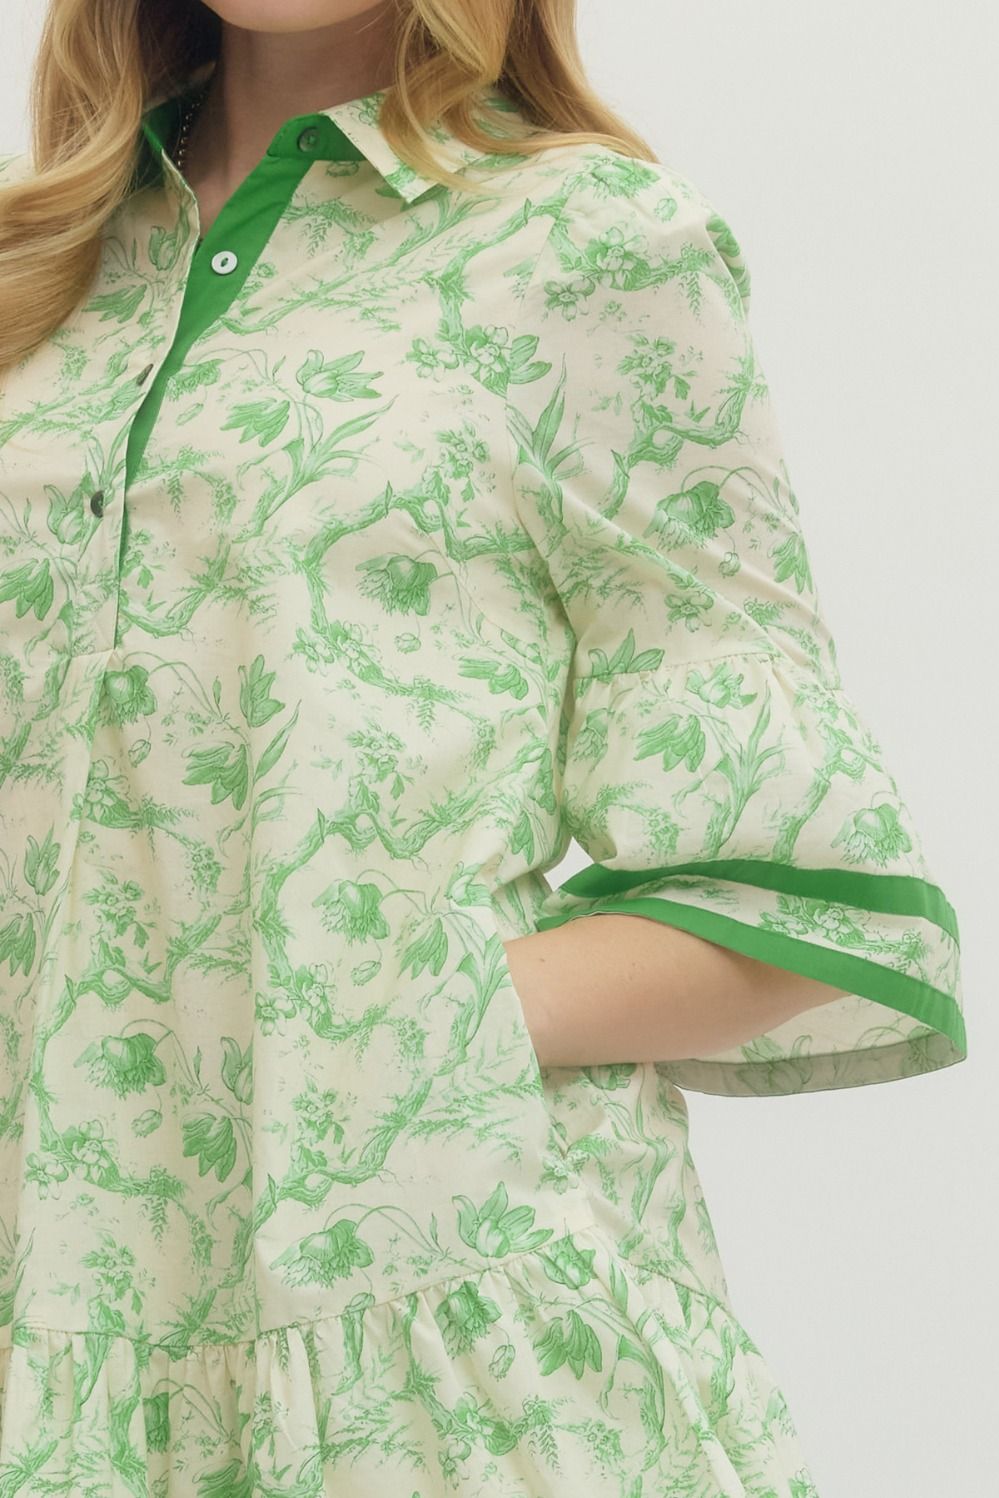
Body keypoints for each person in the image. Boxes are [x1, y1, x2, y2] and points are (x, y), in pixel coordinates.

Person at [0, 1, 967, 1492]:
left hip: (424, 1331)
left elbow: (801, 881)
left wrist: (406, 1021)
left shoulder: (586, 248)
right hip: (54, 1310)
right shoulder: (38, 263)